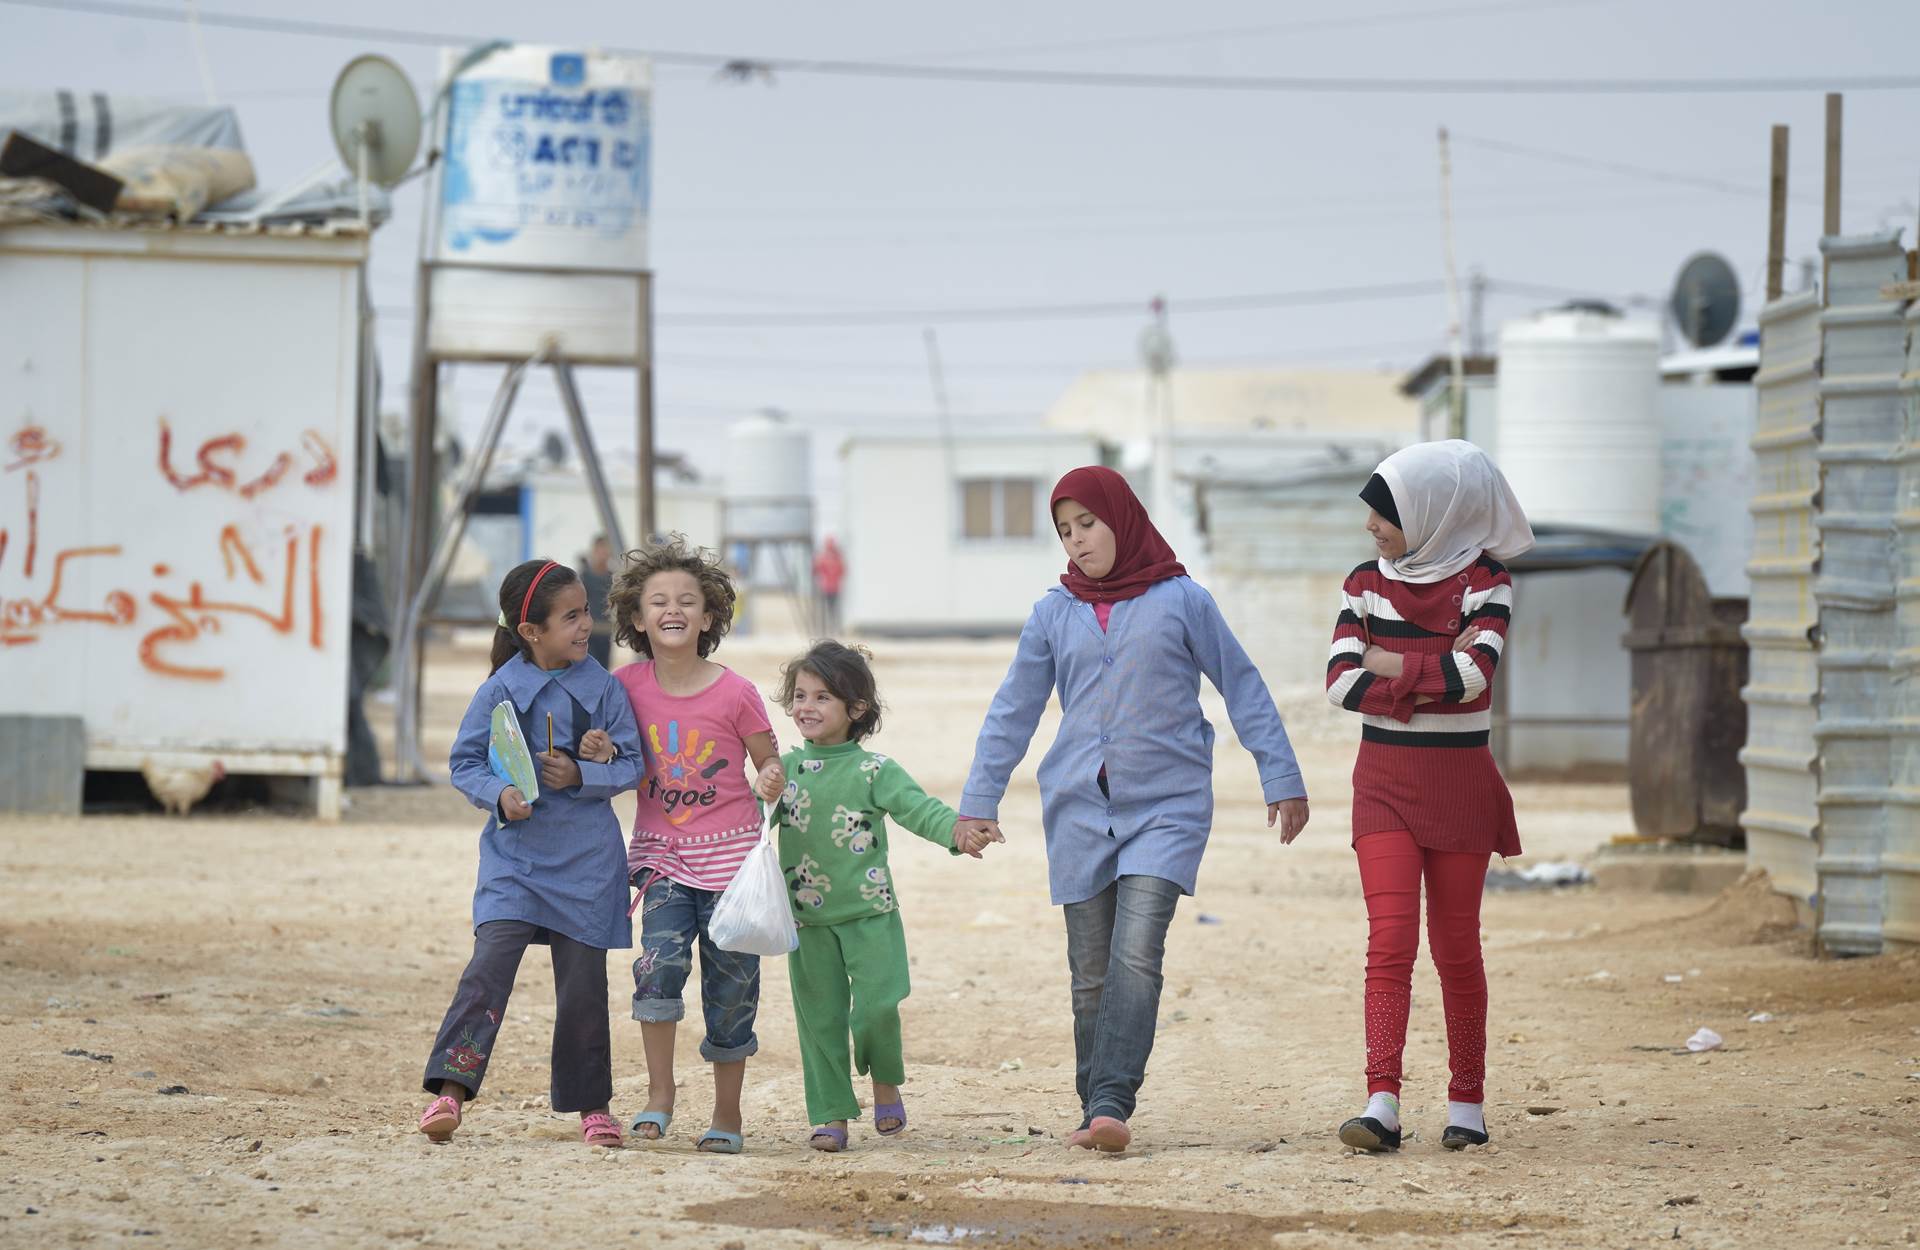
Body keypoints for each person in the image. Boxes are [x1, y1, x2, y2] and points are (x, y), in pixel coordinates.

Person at [959, 466, 1309, 1153]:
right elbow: (1014, 710)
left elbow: (1242, 686)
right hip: (1079, 809)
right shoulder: (1052, 613)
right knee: (1090, 974)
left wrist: (1282, 775)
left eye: (1088, 522)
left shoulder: (1184, 601)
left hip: (1168, 808)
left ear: (1123, 517)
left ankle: (1113, 1101)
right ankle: (1096, 1108)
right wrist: (980, 799)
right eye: (1064, 530)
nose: (1078, 540)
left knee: (1136, 955)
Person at [1324, 440, 1534, 1154]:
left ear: (1435, 515)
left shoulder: (1488, 579)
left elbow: (1476, 674)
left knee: (1456, 949)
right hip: (1382, 784)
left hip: (1461, 788)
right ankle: (1380, 1102)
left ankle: (1466, 1102)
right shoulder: (1363, 582)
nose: (1372, 529)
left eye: (1385, 515)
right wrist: (1422, 673)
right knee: (1389, 943)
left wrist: (1389, 665)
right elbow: (1340, 682)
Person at [417, 558, 644, 1149]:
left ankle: (593, 1107)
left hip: (589, 866)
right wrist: (501, 794)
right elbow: (464, 762)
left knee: (584, 990)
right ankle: (451, 1091)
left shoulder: (605, 689)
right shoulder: (498, 693)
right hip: (514, 862)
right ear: (531, 632)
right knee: (487, 970)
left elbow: (632, 765)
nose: (584, 626)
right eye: (570, 617)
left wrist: (586, 771)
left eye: (585, 613)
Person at [584, 535, 785, 1155]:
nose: (673, 609)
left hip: (732, 869)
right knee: (657, 970)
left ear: (710, 615)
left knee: (731, 993)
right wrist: (600, 749)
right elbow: (613, 746)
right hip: (661, 860)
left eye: (688, 600)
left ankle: (727, 1113)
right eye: (659, 600)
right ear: (637, 617)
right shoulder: (625, 685)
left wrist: (771, 777)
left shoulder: (737, 692)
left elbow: (768, 762)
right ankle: (660, 1094)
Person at [772, 641, 1000, 1153]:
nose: (806, 707)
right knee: (821, 1019)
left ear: (856, 710)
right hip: (806, 921)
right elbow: (742, 822)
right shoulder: (783, 770)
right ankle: (830, 1113)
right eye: (799, 695)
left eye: (822, 697)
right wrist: (759, 792)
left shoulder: (875, 770)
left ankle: (885, 1082)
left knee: (877, 1007)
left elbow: (919, 809)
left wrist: (958, 833)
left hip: (871, 914)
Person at [580, 534, 615, 670]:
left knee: (603, 667)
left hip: (606, 631)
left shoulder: (613, 578)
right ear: (594, 551)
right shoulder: (584, 576)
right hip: (588, 632)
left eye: (606, 550)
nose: (603, 554)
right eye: (600, 550)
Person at [813, 536, 847, 634]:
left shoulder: (829, 558)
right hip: (828, 587)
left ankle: (830, 629)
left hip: (831, 587)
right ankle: (828, 629)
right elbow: (817, 570)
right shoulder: (832, 558)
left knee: (831, 610)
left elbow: (817, 570)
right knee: (830, 610)